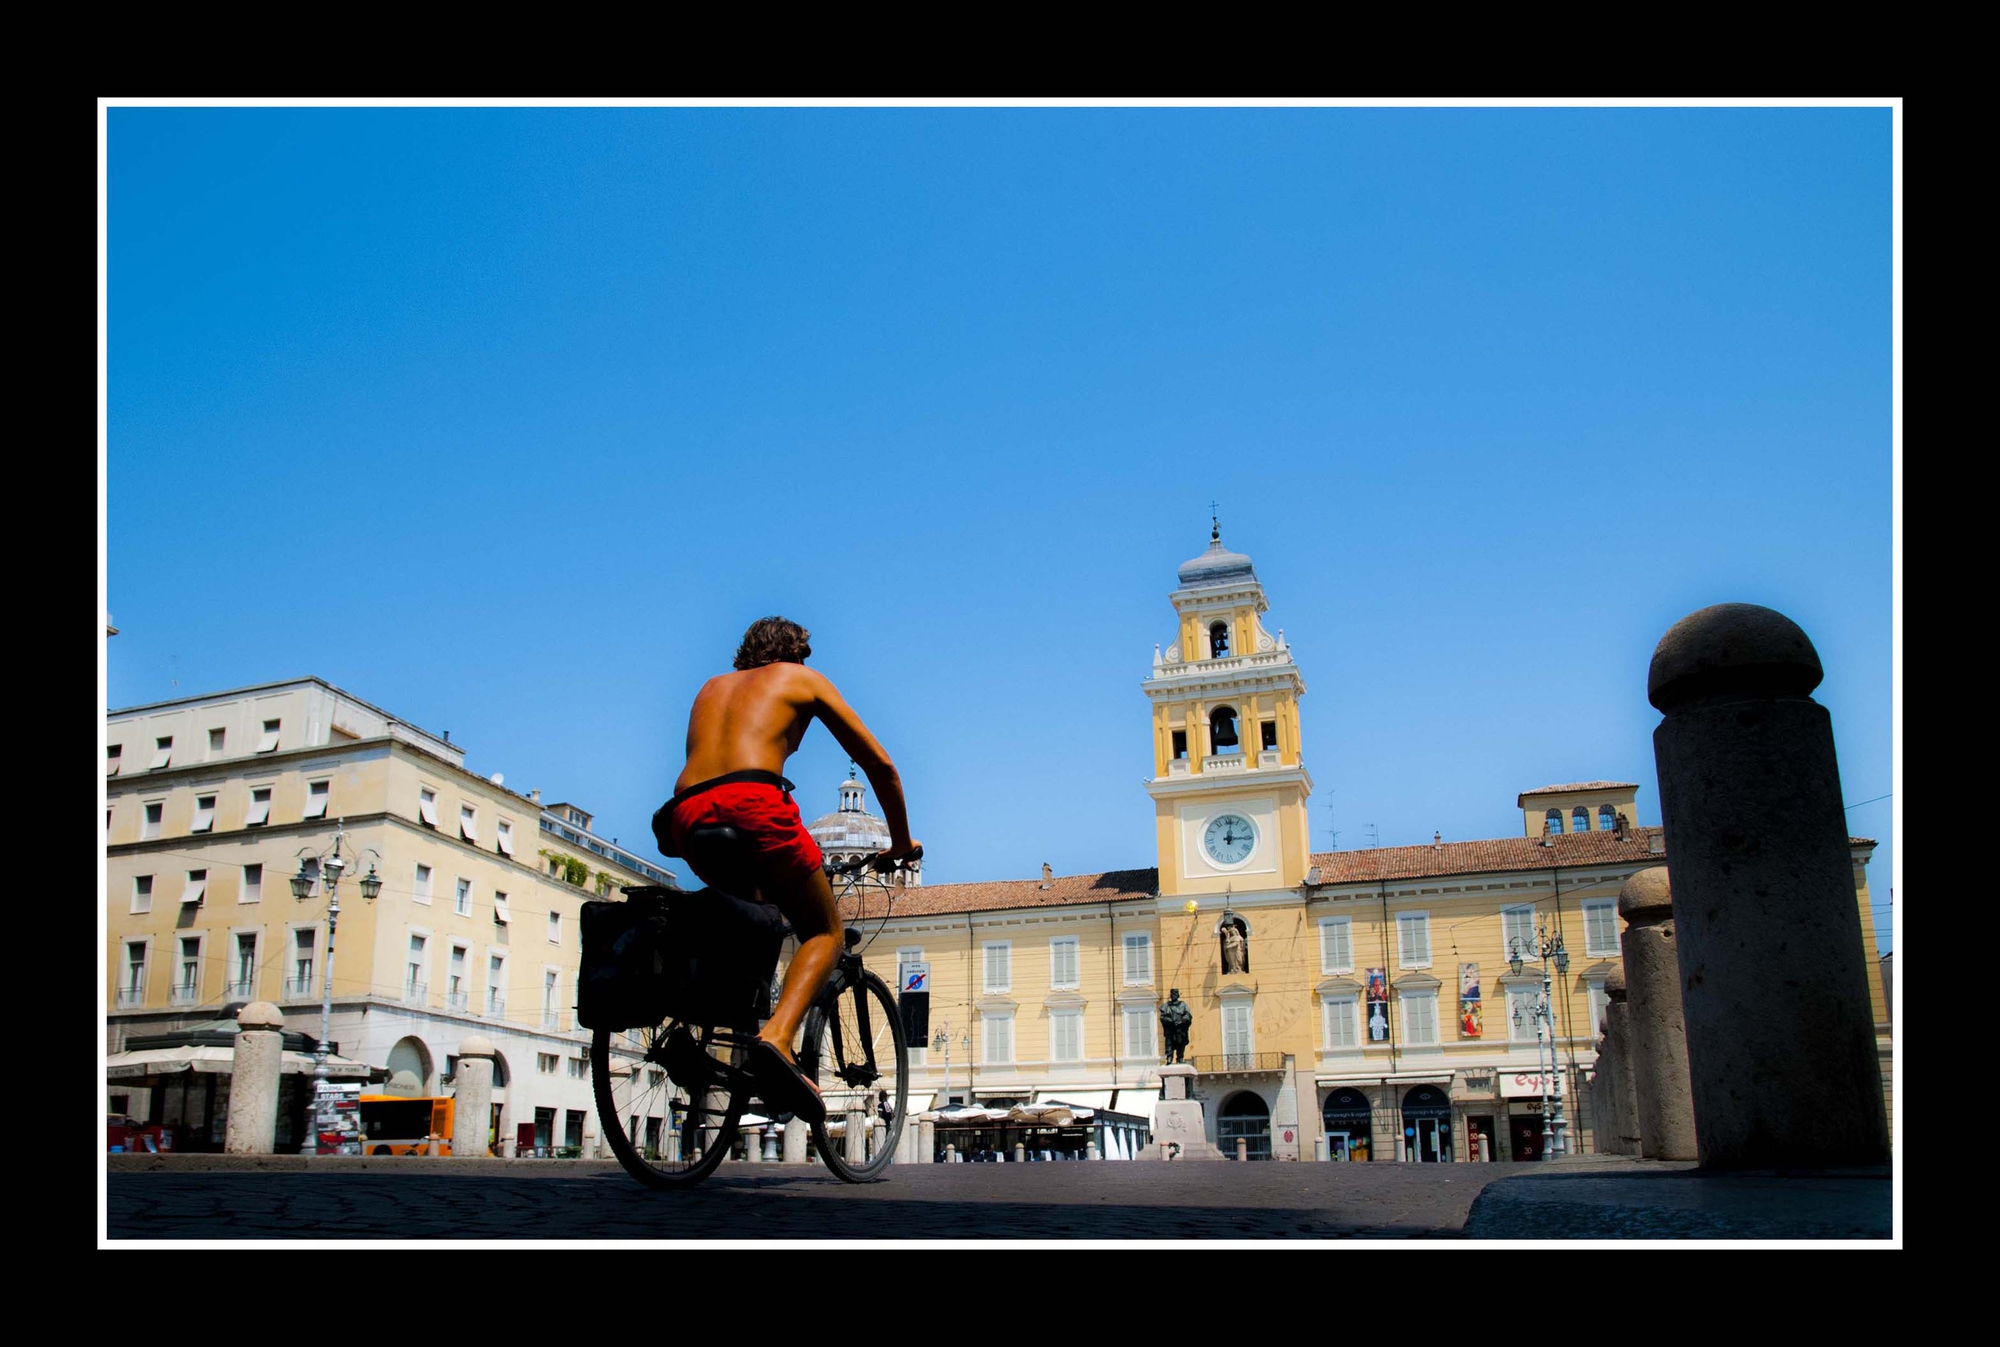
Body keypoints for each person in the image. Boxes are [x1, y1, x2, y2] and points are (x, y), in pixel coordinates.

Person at [656, 616, 919, 1125]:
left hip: (685, 816)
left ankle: (710, 1030)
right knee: (824, 931)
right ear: (797, 654)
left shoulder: (711, 687)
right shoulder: (800, 679)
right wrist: (902, 841)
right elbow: (881, 766)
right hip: (752, 804)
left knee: (757, 917)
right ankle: (776, 1037)